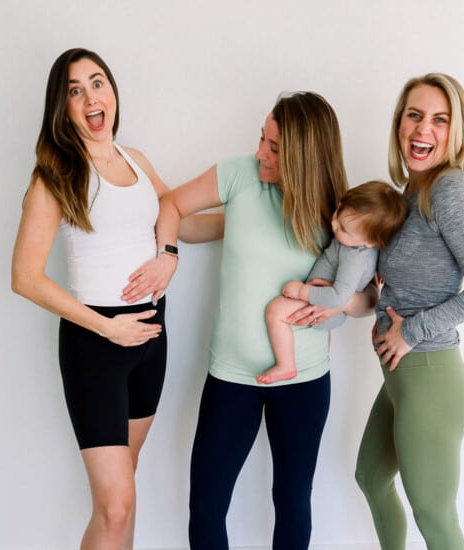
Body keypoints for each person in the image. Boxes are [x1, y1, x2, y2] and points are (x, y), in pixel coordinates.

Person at [154, 91, 379, 549]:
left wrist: (337, 304)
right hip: (231, 377)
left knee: (293, 500)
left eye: (274, 147)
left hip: (305, 381)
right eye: (262, 138)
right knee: (207, 507)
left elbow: (369, 297)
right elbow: (172, 205)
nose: (261, 151)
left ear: (303, 154)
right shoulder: (239, 174)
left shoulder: (340, 210)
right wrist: (167, 256)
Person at [11, 48, 175, 549]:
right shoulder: (54, 176)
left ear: (113, 92)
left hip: (150, 337)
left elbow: (176, 213)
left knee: (122, 495)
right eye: (74, 91)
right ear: (62, 110)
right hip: (96, 347)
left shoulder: (137, 161)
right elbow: (24, 276)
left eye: (97, 82)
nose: (89, 97)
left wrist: (173, 251)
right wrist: (108, 327)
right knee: (116, 504)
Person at [354, 73, 464, 550]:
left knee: (435, 518)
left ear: (455, 132)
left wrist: (412, 331)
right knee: (371, 479)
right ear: (400, 123)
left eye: (440, 120)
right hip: (403, 378)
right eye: (414, 116)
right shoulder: (408, 196)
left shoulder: (448, 191)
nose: (423, 130)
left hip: (431, 378)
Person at [257, 181, 408, 385]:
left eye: (343, 229)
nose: (334, 224)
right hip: (323, 299)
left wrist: (302, 291)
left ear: (369, 241)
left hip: (324, 303)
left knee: (275, 311)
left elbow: (339, 297)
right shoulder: (359, 242)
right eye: (338, 212)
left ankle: (286, 365)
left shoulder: (354, 257)